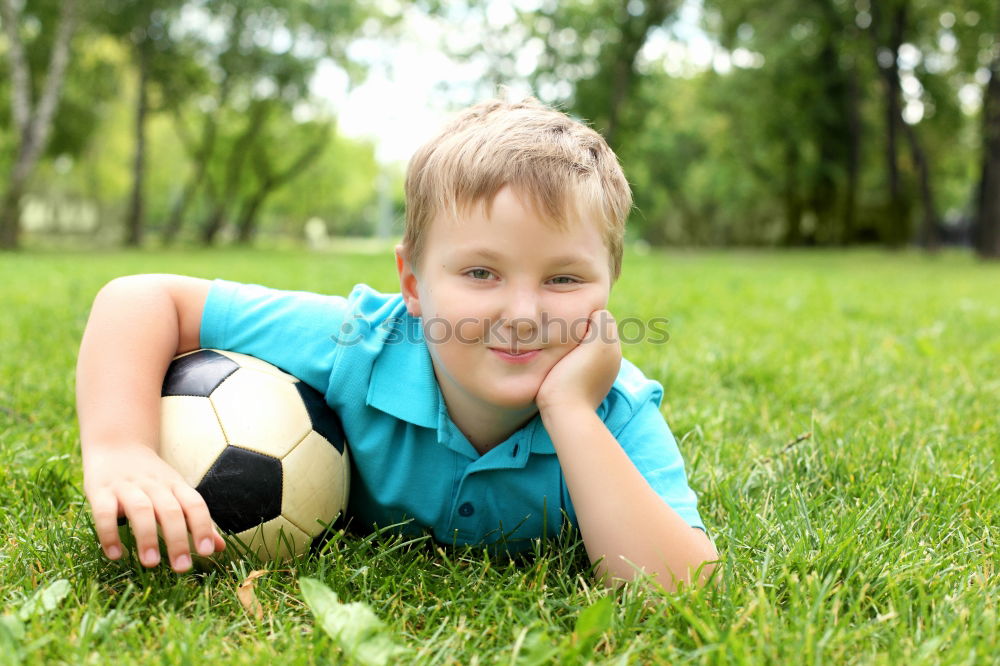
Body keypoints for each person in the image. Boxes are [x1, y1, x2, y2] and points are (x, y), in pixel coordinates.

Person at [77, 97, 718, 589]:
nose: (523, 314)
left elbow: (682, 588)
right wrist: (121, 447)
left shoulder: (617, 409)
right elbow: (140, 299)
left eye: (564, 278)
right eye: (480, 273)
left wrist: (573, 413)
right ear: (412, 282)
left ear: (610, 286)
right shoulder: (364, 343)